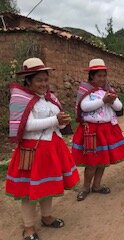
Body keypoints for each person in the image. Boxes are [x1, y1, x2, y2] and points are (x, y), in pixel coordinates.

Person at [6, 58, 79, 240]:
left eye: (46, 80)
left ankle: (46, 217)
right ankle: (28, 227)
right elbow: (26, 125)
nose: (43, 84)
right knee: (29, 192)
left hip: (52, 149)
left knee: (49, 185)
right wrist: (55, 120)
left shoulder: (50, 99)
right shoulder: (19, 99)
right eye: (39, 80)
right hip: (32, 151)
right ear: (28, 81)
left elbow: (57, 126)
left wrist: (62, 123)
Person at [72, 58, 124, 201]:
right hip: (91, 130)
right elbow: (84, 107)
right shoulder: (86, 89)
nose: (102, 79)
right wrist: (103, 101)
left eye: (104, 76)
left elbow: (119, 107)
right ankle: (85, 187)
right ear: (92, 76)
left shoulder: (108, 90)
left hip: (106, 129)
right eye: (99, 76)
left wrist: (112, 100)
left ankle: (96, 185)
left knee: (103, 160)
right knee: (92, 161)